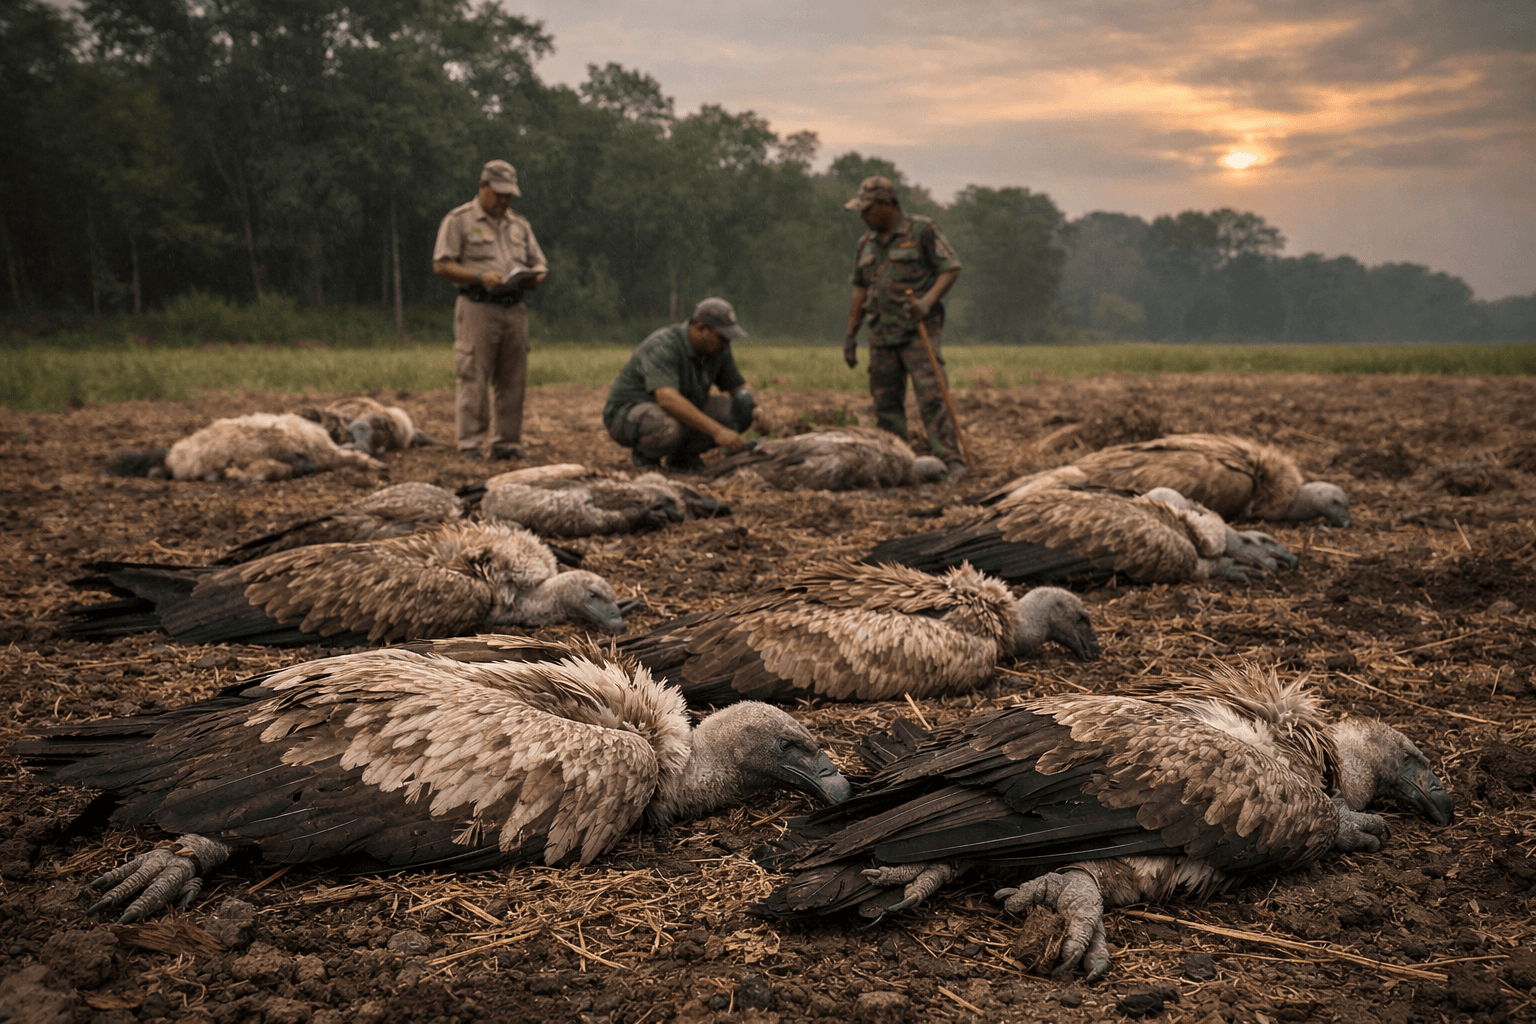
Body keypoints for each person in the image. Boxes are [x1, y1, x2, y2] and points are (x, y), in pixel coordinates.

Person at [841, 175, 966, 478]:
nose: (863, 216)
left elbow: (950, 268)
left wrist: (927, 301)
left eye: (868, 209)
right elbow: (859, 290)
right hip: (881, 333)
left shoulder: (921, 230)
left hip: (917, 333)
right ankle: (897, 462)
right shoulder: (866, 244)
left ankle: (950, 459)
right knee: (885, 404)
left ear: (887, 205)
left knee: (932, 396)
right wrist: (850, 333)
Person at [432, 159, 549, 461]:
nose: (504, 200)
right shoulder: (458, 220)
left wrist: (537, 274)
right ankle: (471, 444)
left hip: (515, 308)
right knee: (473, 377)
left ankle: (506, 442)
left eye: (509, 195)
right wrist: (479, 277)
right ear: (483, 186)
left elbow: (538, 261)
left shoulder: (520, 225)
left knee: (513, 378)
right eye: (499, 194)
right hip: (477, 307)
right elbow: (441, 264)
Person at [603, 297, 756, 473]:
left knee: (741, 410)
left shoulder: (718, 349)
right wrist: (718, 431)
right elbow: (667, 399)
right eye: (723, 337)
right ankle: (645, 456)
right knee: (668, 428)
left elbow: (739, 387)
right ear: (701, 329)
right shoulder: (664, 344)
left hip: (678, 407)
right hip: (629, 413)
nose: (727, 344)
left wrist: (756, 408)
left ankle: (682, 457)